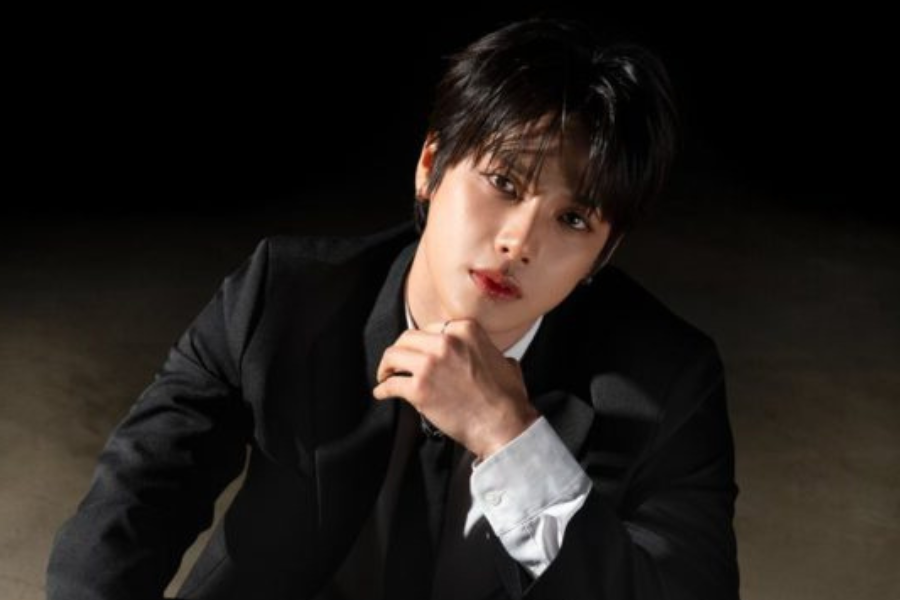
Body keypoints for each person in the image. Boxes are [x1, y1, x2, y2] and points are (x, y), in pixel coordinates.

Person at [47, 17, 739, 600]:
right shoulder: (283, 294)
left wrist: (512, 440)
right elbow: (135, 501)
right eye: (503, 182)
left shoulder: (668, 382)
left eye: (573, 220)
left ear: (603, 255)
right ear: (430, 166)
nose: (519, 242)